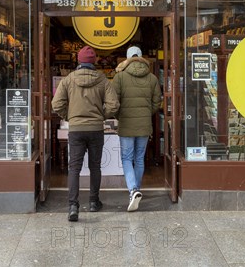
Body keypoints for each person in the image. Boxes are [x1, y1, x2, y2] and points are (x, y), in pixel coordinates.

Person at [51, 45, 119, 222]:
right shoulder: (102, 80)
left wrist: (70, 116)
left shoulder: (68, 80)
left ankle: (73, 206)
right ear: (94, 61)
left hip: (76, 130)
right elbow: (113, 105)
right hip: (96, 129)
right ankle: (94, 202)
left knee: (74, 168)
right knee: (95, 167)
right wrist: (100, 117)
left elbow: (56, 104)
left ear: (78, 61)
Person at [111, 46, 162, 212]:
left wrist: (120, 116)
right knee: (139, 158)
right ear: (141, 58)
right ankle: (136, 190)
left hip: (126, 124)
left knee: (127, 158)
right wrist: (147, 113)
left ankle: (133, 190)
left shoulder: (119, 77)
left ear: (127, 58)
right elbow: (157, 102)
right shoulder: (153, 78)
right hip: (144, 124)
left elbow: (114, 102)